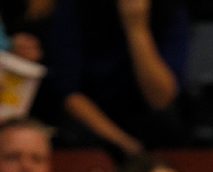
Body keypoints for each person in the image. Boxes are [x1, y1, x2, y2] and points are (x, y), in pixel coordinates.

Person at [46, 0, 189, 157]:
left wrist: (136, 28)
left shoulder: (171, 10)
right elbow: (69, 94)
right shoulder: (74, 8)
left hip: (144, 116)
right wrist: (126, 144)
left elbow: (162, 99)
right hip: (93, 120)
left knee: (171, 124)